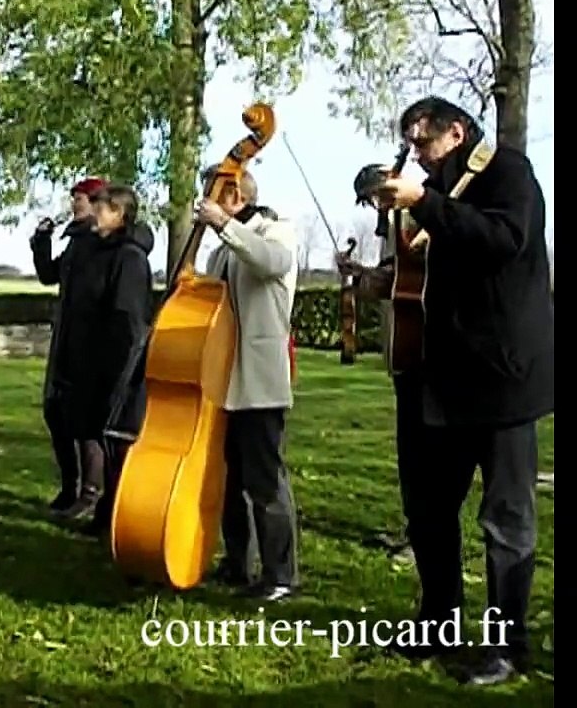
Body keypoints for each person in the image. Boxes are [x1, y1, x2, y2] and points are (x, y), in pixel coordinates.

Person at [337, 96, 554, 685]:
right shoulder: (436, 192)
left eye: (421, 141)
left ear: (456, 133)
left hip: (502, 377)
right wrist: (376, 281)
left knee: (505, 517)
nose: (414, 154)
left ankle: (508, 647)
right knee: (429, 510)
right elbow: (427, 276)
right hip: (439, 378)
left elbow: (503, 239)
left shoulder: (509, 173)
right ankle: (438, 624)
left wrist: (424, 202)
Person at [196, 165, 302, 603]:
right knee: (229, 478)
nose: (206, 203)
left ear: (234, 196)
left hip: (259, 378)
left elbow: (270, 262)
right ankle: (237, 563)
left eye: (213, 195)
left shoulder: (276, 231)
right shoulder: (222, 247)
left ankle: (281, 575)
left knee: (265, 479)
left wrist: (223, 226)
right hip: (223, 377)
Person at [43, 183, 155, 525]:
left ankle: (108, 512)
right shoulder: (96, 250)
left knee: (108, 442)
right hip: (85, 359)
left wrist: (119, 375)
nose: (95, 213)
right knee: (82, 426)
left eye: (101, 207)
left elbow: (129, 322)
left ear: (119, 215)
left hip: (110, 368)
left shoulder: (129, 259)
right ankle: (101, 513)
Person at [31, 176, 106, 514]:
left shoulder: (102, 243)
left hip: (88, 346)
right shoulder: (75, 242)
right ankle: (68, 487)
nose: (75, 203)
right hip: (65, 341)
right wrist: (41, 242)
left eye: (81, 198)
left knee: (86, 421)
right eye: (74, 197)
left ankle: (90, 493)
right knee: (55, 413)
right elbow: (50, 274)